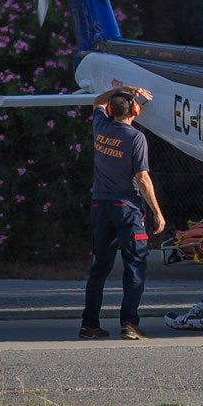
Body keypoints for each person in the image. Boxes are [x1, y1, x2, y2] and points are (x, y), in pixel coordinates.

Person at [80, 81, 166, 341]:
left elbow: (97, 100)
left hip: (100, 206)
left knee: (100, 268)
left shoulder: (101, 126)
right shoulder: (135, 138)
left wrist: (126, 90)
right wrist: (157, 212)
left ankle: (89, 324)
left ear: (111, 110)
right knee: (135, 265)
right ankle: (129, 323)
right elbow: (142, 177)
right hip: (126, 209)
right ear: (134, 111)